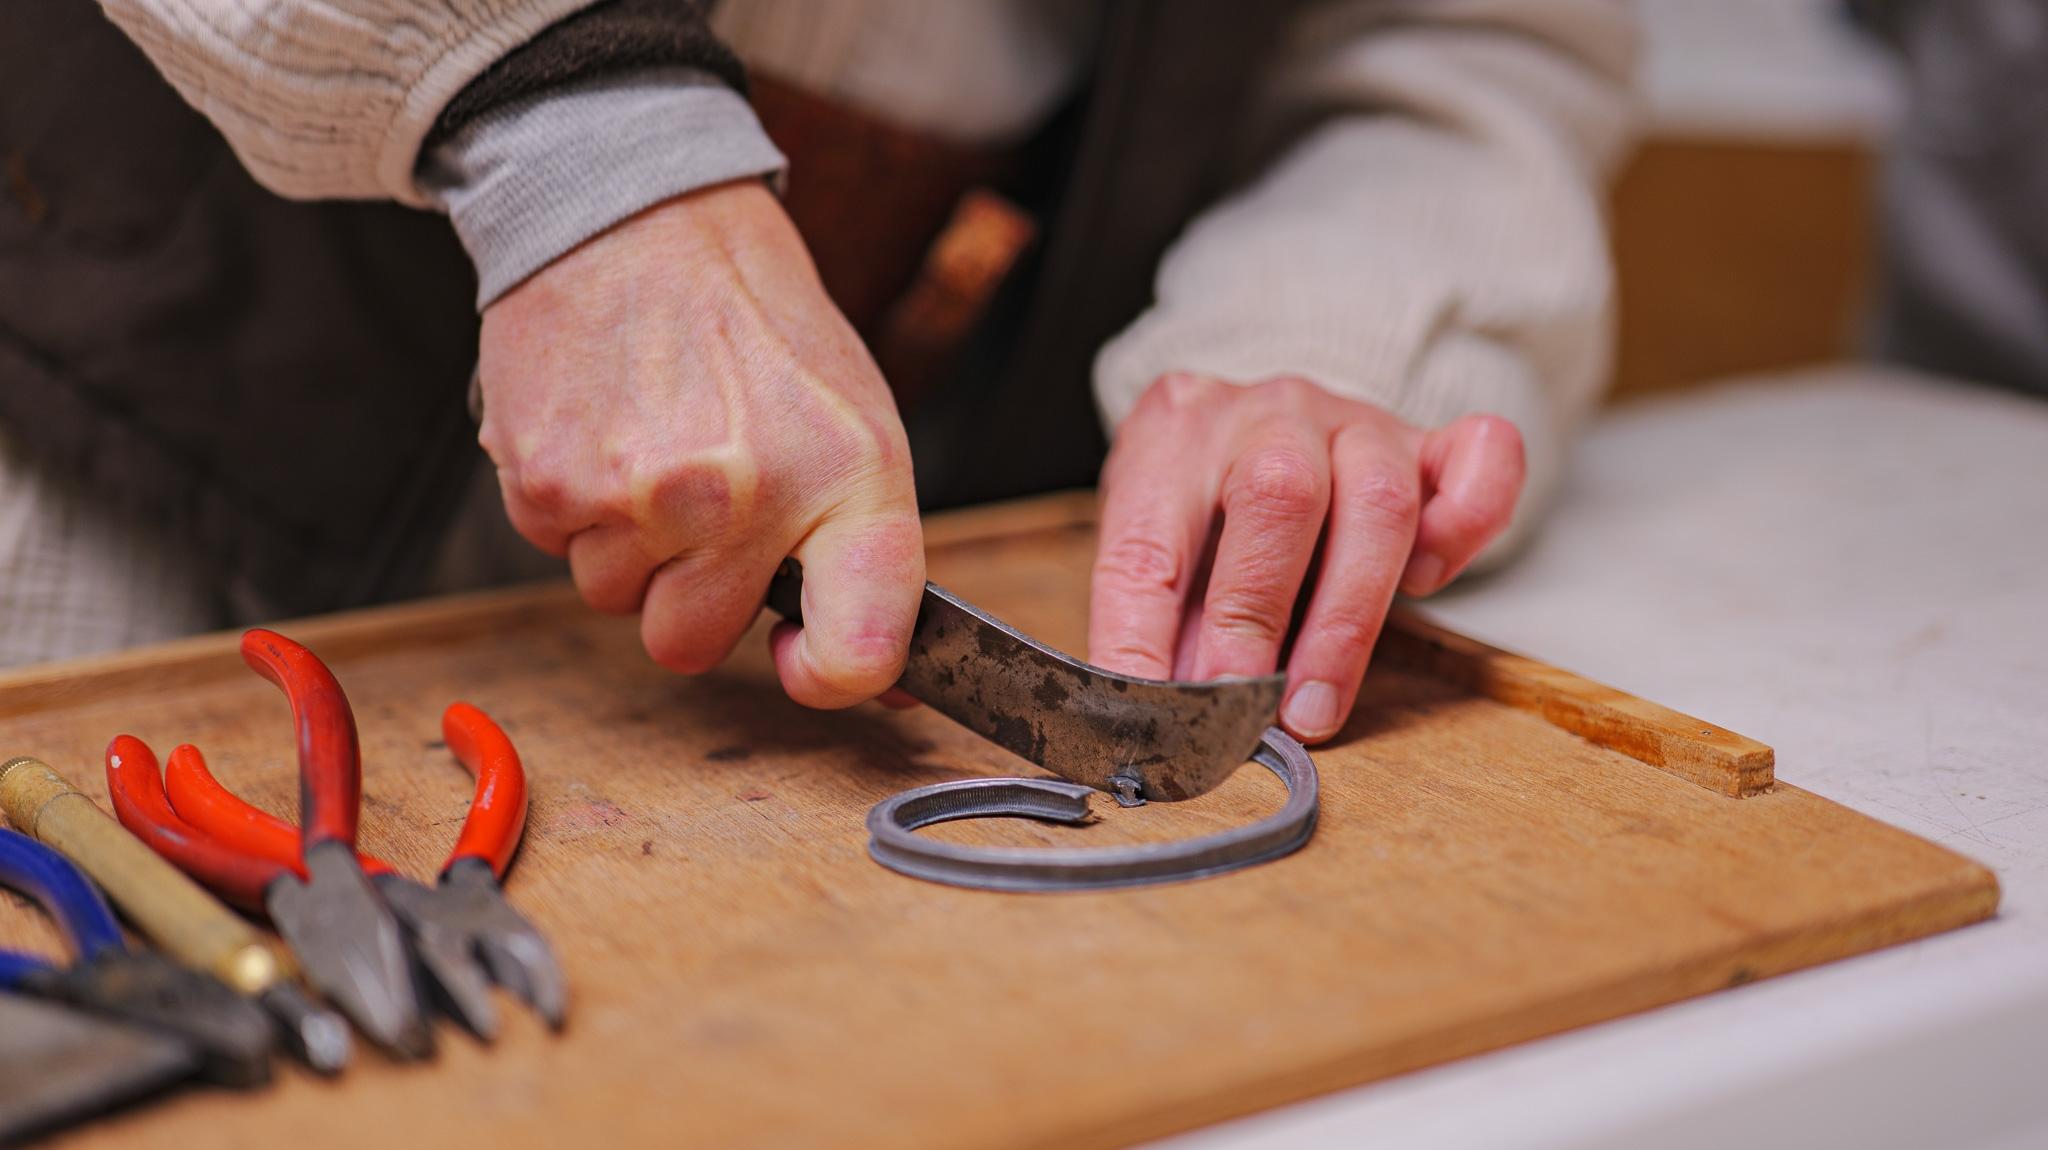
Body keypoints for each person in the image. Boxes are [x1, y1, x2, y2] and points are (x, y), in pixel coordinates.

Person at [0, 1, 1637, 744]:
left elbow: (1462, 44)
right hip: (96, 442)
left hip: (831, 534)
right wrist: (578, 126)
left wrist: (1322, 330)